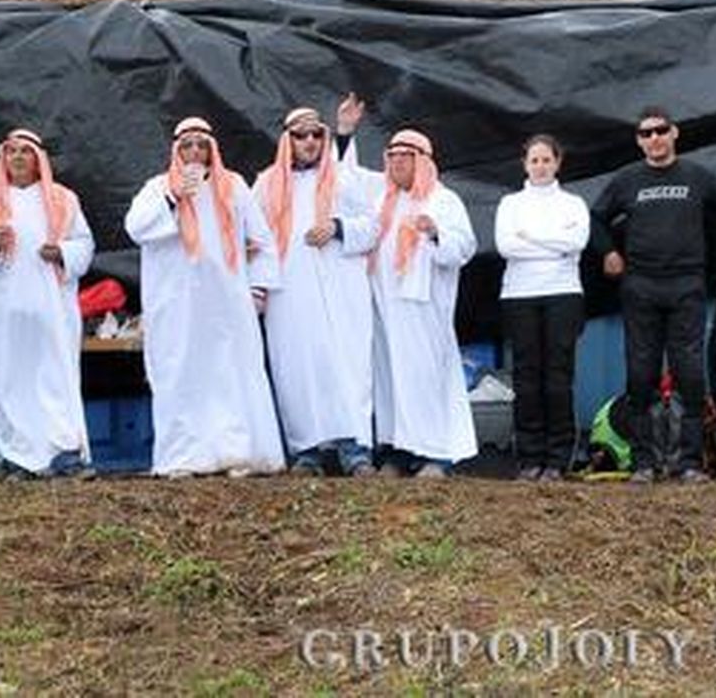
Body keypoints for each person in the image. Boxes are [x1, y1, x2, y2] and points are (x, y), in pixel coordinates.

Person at [589, 106, 716, 484]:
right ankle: (644, 463)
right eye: (646, 133)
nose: (654, 139)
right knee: (641, 376)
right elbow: (595, 218)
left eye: (660, 131)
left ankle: (688, 463)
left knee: (689, 376)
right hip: (641, 288)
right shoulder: (626, 180)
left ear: (674, 133)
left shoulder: (696, 177)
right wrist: (608, 252)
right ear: (638, 140)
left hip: (686, 286)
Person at [124, 116, 285, 478]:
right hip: (176, 302)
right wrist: (173, 196)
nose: (195, 152)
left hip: (226, 302)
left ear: (212, 150)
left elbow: (260, 240)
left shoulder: (235, 187)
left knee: (229, 373)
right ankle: (183, 455)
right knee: (179, 373)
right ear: (176, 150)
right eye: (187, 146)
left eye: (201, 145)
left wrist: (257, 288)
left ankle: (236, 452)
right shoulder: (157, 187)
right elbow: (136, 228)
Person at [252, 96, 380, 477]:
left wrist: (339, 228)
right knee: (297, 367)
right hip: (290, 293)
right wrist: (258, 286)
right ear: (287, 140)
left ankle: (354, 451)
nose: (309, 141)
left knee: (346, 366)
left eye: (315, 135)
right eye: (301, 135)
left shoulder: (343, 178)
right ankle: (306, 451)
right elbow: (254, 238)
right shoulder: (266, 184)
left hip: (341, 291)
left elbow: (371, 227)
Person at [0, 128, 96, 479]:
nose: (18, 157)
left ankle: (65, 453)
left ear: (39, 158)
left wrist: (61, 252)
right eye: (12, 151)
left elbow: (84, 244)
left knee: (56, 377)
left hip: (51, 308)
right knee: (10, 380)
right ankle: (20, 458)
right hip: (2, 310)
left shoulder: (63, 199)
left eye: (25, 151)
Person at [365, 129, 479, 478]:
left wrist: (435, 233)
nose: (397, 161)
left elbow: (464, 247)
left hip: (423, 306)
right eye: (392, 155)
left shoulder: (442, 201)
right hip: (385, 305)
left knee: (425, 377)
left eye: (406, 155)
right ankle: (399, 451)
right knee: (391, 379)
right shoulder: (381, 200)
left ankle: (435, 454)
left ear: (422, 160)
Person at [493, 134, 589, 481]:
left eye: (546, 159)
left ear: (557, 162)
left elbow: (577, 242)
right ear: (525, 165)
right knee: (527, 375)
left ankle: (557, 459)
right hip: (519, 296)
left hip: (563, 293)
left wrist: (530, 237)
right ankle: (529, 458)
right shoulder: (509, 204)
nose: (540, 166)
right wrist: (555, 245)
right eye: (534, 160)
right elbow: (506, 246)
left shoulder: (574, 204)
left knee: (558, 376)